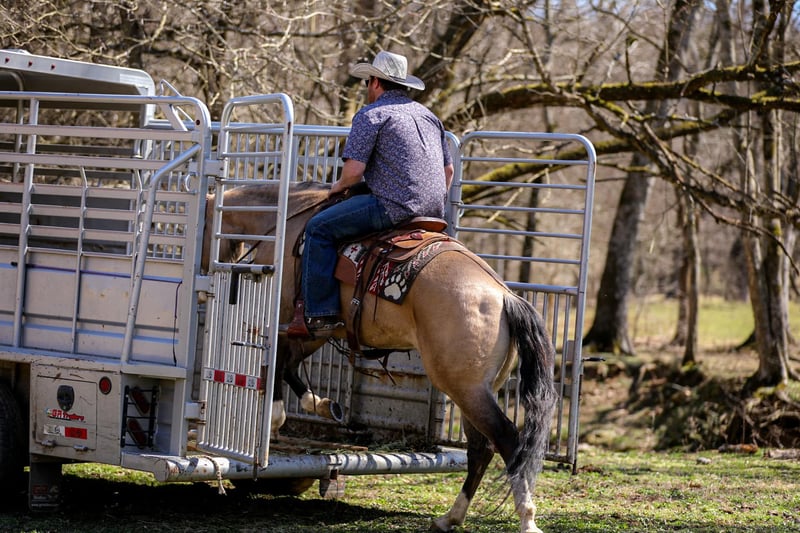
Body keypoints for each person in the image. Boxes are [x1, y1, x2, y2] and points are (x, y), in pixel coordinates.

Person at [286, 50, 454, 338]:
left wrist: (338, 187)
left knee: (318, 228)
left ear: (375, 82)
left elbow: (353, 173)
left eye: (367, 82)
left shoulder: (372, 115)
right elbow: (448, 171)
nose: (367, 88)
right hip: (435, 211)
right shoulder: (429, 116)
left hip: (392, 206)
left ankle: (321, 313)